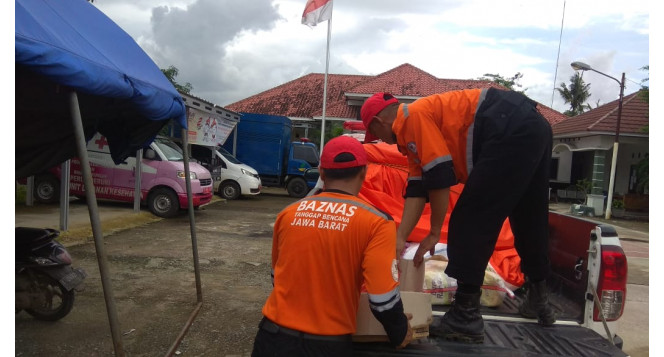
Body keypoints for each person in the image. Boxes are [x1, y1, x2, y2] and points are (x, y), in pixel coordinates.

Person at [360, 88, 556, 344]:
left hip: (506, 124)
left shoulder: (411, 117)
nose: (383, 142)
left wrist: (433, 233)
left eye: (377, 136)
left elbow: (439, 178)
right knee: (528, 214)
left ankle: (465, 315)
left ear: (378, 122)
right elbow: (418, 188)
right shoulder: (414, 133)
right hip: (534, 125)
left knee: (469, 218)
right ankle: (539, 298)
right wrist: (400, 237)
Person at [252, 136, 413, 356]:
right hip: (328, 344)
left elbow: (277, 277)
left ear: (322, 173)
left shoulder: (288, 213)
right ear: (364, 172)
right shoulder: (377, 222)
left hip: (272, 338)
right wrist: (400, 331)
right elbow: (382, 299)